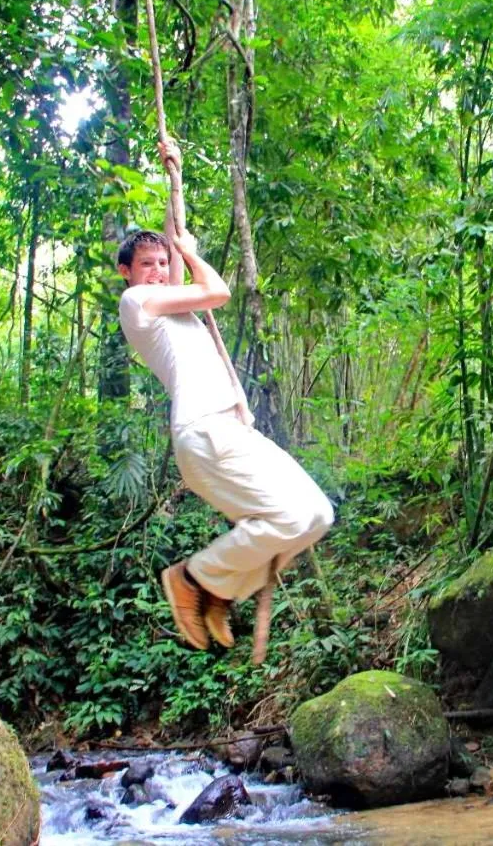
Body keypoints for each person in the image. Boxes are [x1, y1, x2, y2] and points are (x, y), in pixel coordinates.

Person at [116, 140, 333, 651]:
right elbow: (218, 291)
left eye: (162, 264)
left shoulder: (171, 305)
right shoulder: (138, 301)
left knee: (317, 514)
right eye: (147, 264)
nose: (158, 271)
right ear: (127, 273)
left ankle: (219, 592)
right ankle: (194, 578)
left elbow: (178, 246)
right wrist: (189, 253)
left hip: (232, 426)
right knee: (288, 517)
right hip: (204, 429)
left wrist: (175, 172)